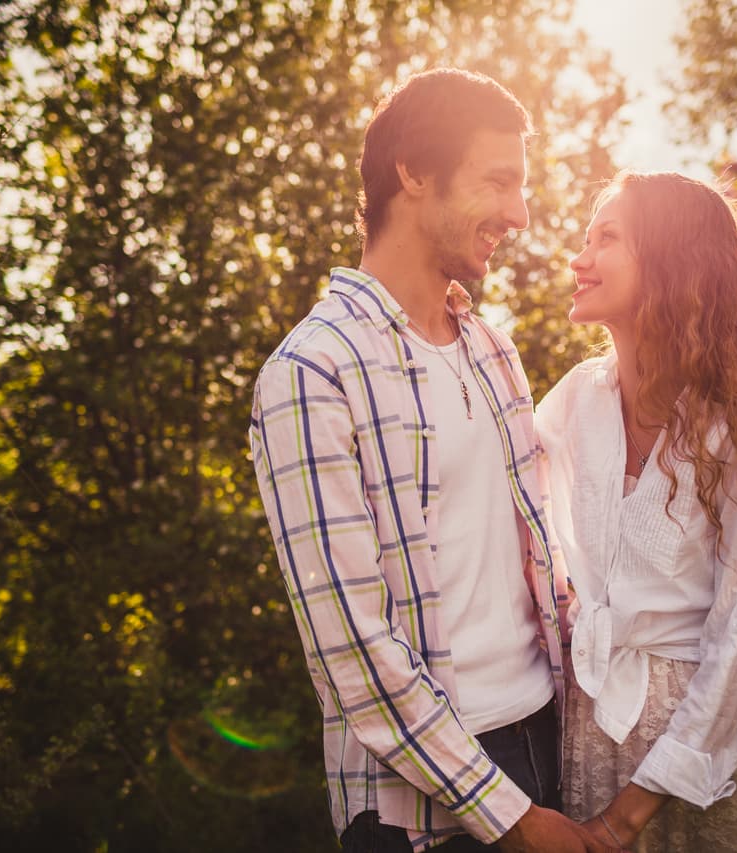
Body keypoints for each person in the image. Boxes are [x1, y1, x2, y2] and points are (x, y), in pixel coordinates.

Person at [249, 69, 608, 852]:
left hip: (548, 745)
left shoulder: (492, 350)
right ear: (413, 171)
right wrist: (510, 817)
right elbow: (352, 648)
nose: (520, 213)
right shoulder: (312, 372)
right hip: (417, 810)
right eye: (498, 181)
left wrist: (684, 696)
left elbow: (550, 573)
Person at [536, 171, 737, 850]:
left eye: (606, 239)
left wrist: (622, 819)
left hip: (707, 762)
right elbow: (507, 491)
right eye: (584, 238)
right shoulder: (573, 401)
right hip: (594, 735)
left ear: (669, 263)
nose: (580, 258)